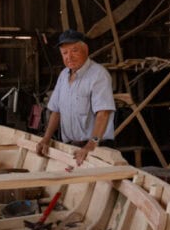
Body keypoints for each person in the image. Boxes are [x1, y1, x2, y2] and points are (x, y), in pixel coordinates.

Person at [36, 30, 115, 166]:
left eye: (74, 51)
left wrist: (91, 144)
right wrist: (46, 138)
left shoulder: (98, 75)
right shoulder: (63, 76)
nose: (69, 57)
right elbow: (56, 111)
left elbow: (103, 114)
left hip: (96, 149)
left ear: (86, 50)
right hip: (71, 147)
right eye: (65, 53)